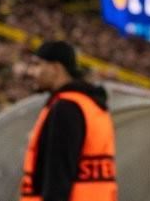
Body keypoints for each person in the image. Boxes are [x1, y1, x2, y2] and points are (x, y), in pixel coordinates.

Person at [21, 41, 117, 201]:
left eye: (37, 65)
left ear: (56, 68)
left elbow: (58, 178)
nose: (32, 72)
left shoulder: (66, 107)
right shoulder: (90, 104)